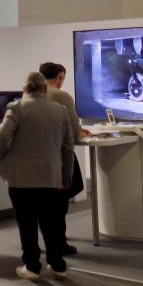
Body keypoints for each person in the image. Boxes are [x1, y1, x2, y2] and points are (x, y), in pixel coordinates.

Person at [0, 71, 74, 282]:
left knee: (26, 224)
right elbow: (68, 147)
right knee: (51, 224)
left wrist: (0, 156)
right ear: (44, 89)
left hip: (21, 179)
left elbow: (1, 136)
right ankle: (58, 266)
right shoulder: (60, 110)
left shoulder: (17, 108)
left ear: (25, 89)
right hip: (50, 178)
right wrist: (66, 176)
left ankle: (32, 267)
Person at [39, 62, 88, 256]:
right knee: (68, 189)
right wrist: (79, 133)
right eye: (61, 78)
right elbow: (74, 131)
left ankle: (52, 235)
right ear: (58, 77)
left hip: (38, 155)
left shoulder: (30, 95)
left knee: (50, 196)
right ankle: (57, 239)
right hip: (59, 153)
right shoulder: (61, 96)